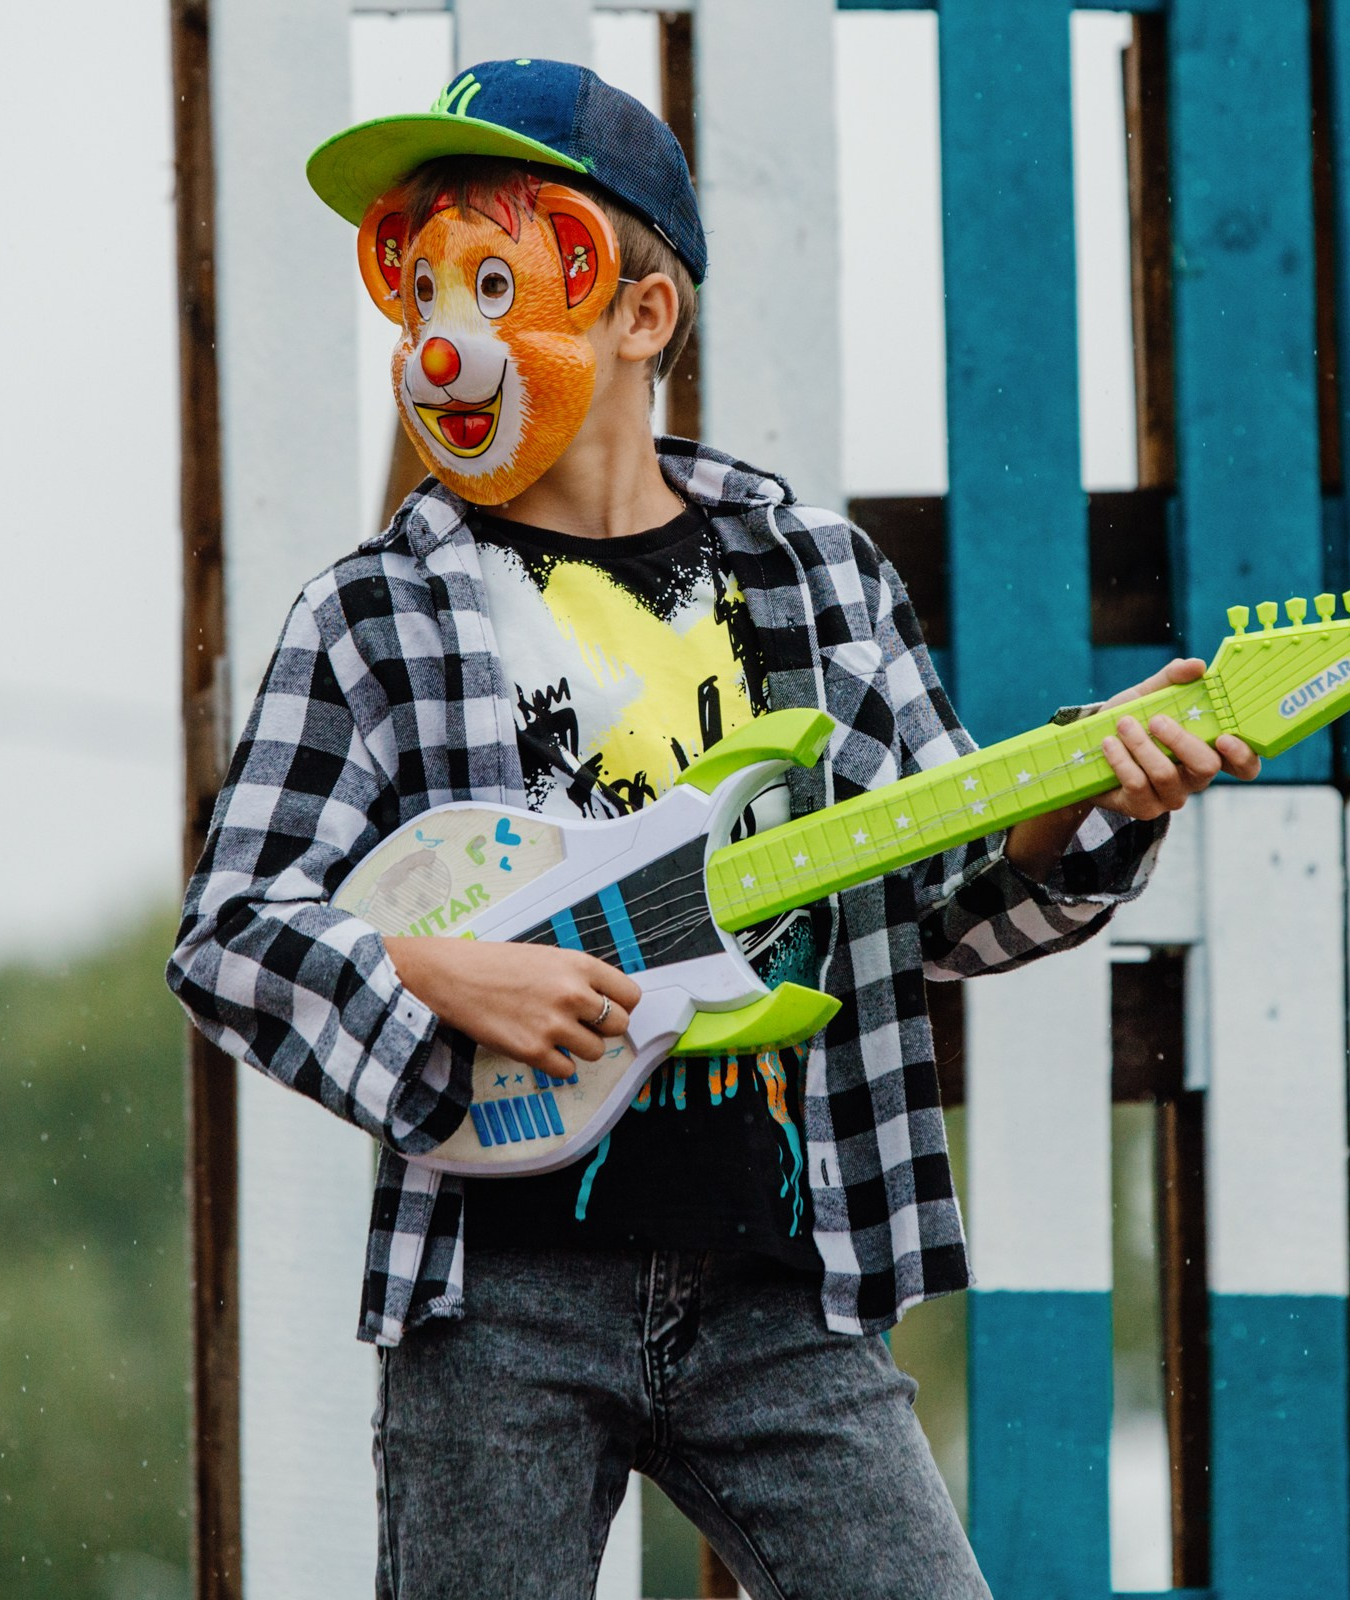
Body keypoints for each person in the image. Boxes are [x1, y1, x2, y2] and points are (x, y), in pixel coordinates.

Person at [168, 57, 1261, 1600]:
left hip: (782, 1278)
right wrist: (436, 975)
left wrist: (1088, 799)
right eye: (417, 289)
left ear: (639, 313)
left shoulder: (809, 573)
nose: (441, 343)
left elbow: (939, 894)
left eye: (498, 276)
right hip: (497, 1300)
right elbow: (229, 933)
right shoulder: (373, 612)